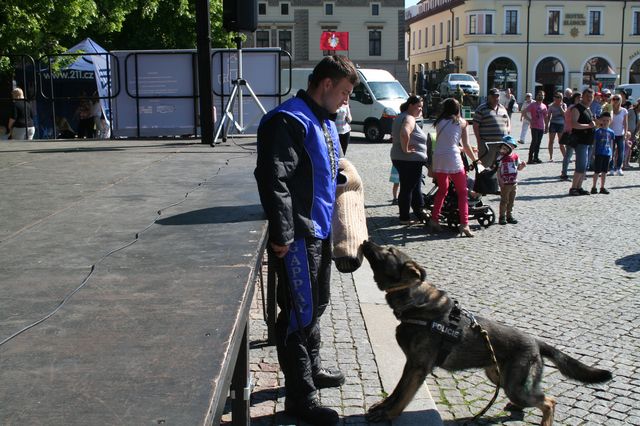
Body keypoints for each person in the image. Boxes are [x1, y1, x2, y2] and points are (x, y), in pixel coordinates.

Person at [254, 55, 359, 426]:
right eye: (344, 92)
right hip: (297, 235)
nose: (346, 100)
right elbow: (274, 178)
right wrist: (282, 234)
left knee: (319, 303)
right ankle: (301, 398)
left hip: (320, 230)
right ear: (326, 84)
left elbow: (321, 169)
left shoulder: (324, 121)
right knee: (298, 314)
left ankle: (311, 370)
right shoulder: (288, 120)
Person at [430, 98, 477, 237]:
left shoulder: (439, 122)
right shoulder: (461, 122)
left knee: (442, 190)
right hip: (452, 159)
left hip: (438, 158)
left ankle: (434, 219)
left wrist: (460, 149)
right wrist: (475, 160)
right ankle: (464, 223)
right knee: (462, 192)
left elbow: (447, 142)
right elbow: (466, 145)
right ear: (458, 108)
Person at [390, 95, 428, 225]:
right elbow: (404, 132)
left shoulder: (400, 116)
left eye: (421, 107)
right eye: (418, 106)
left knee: (414, 186)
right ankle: (404, 218)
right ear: (410, 105)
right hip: (409, 159)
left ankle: (419, 212)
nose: (420, 110)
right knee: (408, 188)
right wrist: (406, 149)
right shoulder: (409, 118)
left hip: (400, 158)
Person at [569, 88, 597, 196]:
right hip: (580, 141)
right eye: (587, 96)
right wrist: (589, 126)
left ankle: (579, 187)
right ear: (583, 96)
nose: (590, 99)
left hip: (588, 141)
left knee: (584, 166)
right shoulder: (577, 108)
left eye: (591, 97)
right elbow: (574, 124)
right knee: (580, 166)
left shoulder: (588, 109)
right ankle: (573, 188)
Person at [473, 87, 510, 166]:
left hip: (501, 144)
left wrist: (508, 130)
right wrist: (479, 141)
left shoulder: (502, 108)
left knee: (498, 168)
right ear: (489, 97)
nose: (496, 98)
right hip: (487, 145)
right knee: (485, 167)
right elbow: (475, 126)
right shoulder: (481, 109)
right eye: (493, 96)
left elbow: (508, 120)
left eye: (497, 96)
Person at [495, 135, 526, 225]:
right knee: (504, 200)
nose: (508, 148)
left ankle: (509, 215)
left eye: (510, 146)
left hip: (514, 182)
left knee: (511, 200)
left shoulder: (515, 157)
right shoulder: (500, 158)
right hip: (505, 182)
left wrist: (522, 166)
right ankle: (502, 217)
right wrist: (500, 180)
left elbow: (518, 168)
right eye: (506, 146)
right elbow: (498, 170)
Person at [560, 92, 582, 180]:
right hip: (571, 133)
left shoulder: (574, 107)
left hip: (575, 132)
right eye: (578, 98)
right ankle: (564, 173)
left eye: (581, 98)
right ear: (574, 98)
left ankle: (576, 173)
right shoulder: (573, 108)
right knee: (569, 155)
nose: (580, 99)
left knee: (575, 155)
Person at [591, 112, 614, 194]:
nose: (605, 122)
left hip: (607, 153)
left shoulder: (611, 132)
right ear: (600, 120)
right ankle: (594, 186)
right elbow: (595, 142)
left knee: (605, 171)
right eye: (604, 120)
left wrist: (612, 154)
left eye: (607, 120)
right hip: (599, 153)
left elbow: (611, 143)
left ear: (610, 121)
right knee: (597, 171)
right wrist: (593, 152)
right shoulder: (597, 131)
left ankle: (602, 187)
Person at [525, 91, 548, 164]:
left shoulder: (544, 106)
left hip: (541, 126)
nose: (540, 96)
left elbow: (545, 117)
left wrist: (547, 126)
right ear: (536, 96)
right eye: (539, 95)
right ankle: (530, 159)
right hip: (534, 126)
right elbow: (524, 112)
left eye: (542, 95)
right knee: (534, 142)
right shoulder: (532, 105)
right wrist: (530, 120)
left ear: (544, 97)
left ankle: (536, 157)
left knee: (538, 143)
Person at [608, 94, 628, 176]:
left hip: (620, 134)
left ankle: (619, 168)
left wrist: (626, 133)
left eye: (617, 99)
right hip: (611, 134)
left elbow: (625, 123)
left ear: (620, 100)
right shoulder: (610, 110)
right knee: (611, 152)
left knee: (620, 152)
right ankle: (611, 168)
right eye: (614, 99)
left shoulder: (624, 111)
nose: (616, 100)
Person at [547, 91, 567, 161]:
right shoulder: (551, 106)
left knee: (561, 142)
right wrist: (546, 125)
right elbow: (548, 116)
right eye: (558, 97)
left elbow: (565, 115)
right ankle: (551, 157)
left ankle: (565, 157)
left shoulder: (564, 105)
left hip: (561, 124)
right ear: (554, 98)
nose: (559, 99)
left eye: (561, 97)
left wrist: (560, 107)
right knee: (551, 141)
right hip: (553, 124)